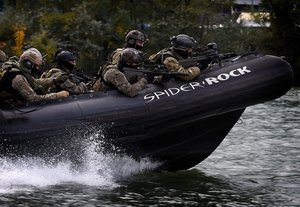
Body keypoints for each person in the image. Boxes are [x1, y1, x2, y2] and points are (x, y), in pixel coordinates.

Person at [0, 48, 69, 106]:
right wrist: (58, 95)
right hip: (10, 110)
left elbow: (34, 81)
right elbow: (33, 99)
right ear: (28, 64)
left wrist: (54, 80)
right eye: (37, 66)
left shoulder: (19, 69)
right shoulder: (17, 77)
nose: (38, 69)